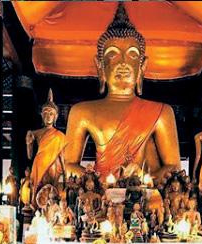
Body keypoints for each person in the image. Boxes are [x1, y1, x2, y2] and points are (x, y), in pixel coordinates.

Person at [64, 3, 180, 180]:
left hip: (141, 189)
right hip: (99, 192)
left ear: (142, 66)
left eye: (132, 54)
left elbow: (174, 167)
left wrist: (142, 177)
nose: (123, 62)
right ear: (100, 65)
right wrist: (95, 180)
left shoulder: (162, 112)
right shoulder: (81, 112)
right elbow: (67, 165)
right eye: (113, 54)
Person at [27, 88, 66, 201]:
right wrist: (28, 144)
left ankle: (52, 205)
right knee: (37, 188)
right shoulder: (35, 133)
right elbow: (29, 156)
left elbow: (62, 155)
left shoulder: (60, 135)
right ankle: (36, 205)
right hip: (39, 163)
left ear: (55, 117)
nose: (48, 116)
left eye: (51, 114)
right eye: (45, 113)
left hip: (54, 164)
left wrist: (65, 173)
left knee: (52, 189)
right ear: (41, 115)